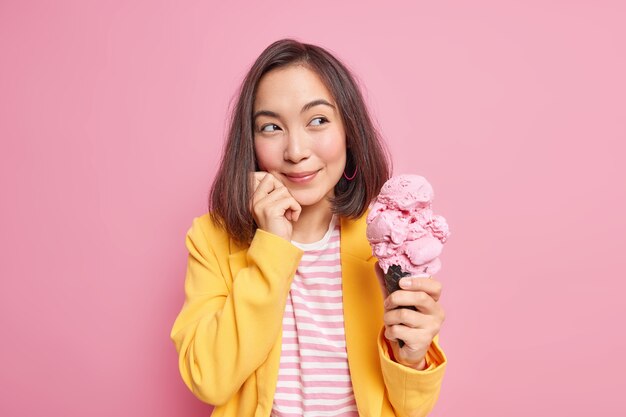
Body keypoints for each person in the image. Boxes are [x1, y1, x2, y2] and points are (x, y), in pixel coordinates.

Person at [170, 38, 447, 417]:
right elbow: (209, 379)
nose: (296, 150)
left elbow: (410, 409)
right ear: (249, 143)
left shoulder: (383, 240)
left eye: (317, 120)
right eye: (271, 127)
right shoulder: (212, 240)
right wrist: (271, 246)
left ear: (349, 129)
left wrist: (412, 356)